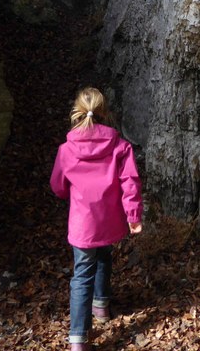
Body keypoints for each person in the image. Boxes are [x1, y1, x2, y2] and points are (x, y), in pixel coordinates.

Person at [50, 87, 143, 351]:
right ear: (105, 113)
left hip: (83, 223)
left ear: (76, 112)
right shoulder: (120, 146)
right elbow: (130, 182)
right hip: (110, 219)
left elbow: (57, 186)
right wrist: (133, 216)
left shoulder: (67, 149)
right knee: (104, 256)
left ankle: (78, 338)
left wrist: (74, 191)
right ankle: (101, 306)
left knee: (82, 274)